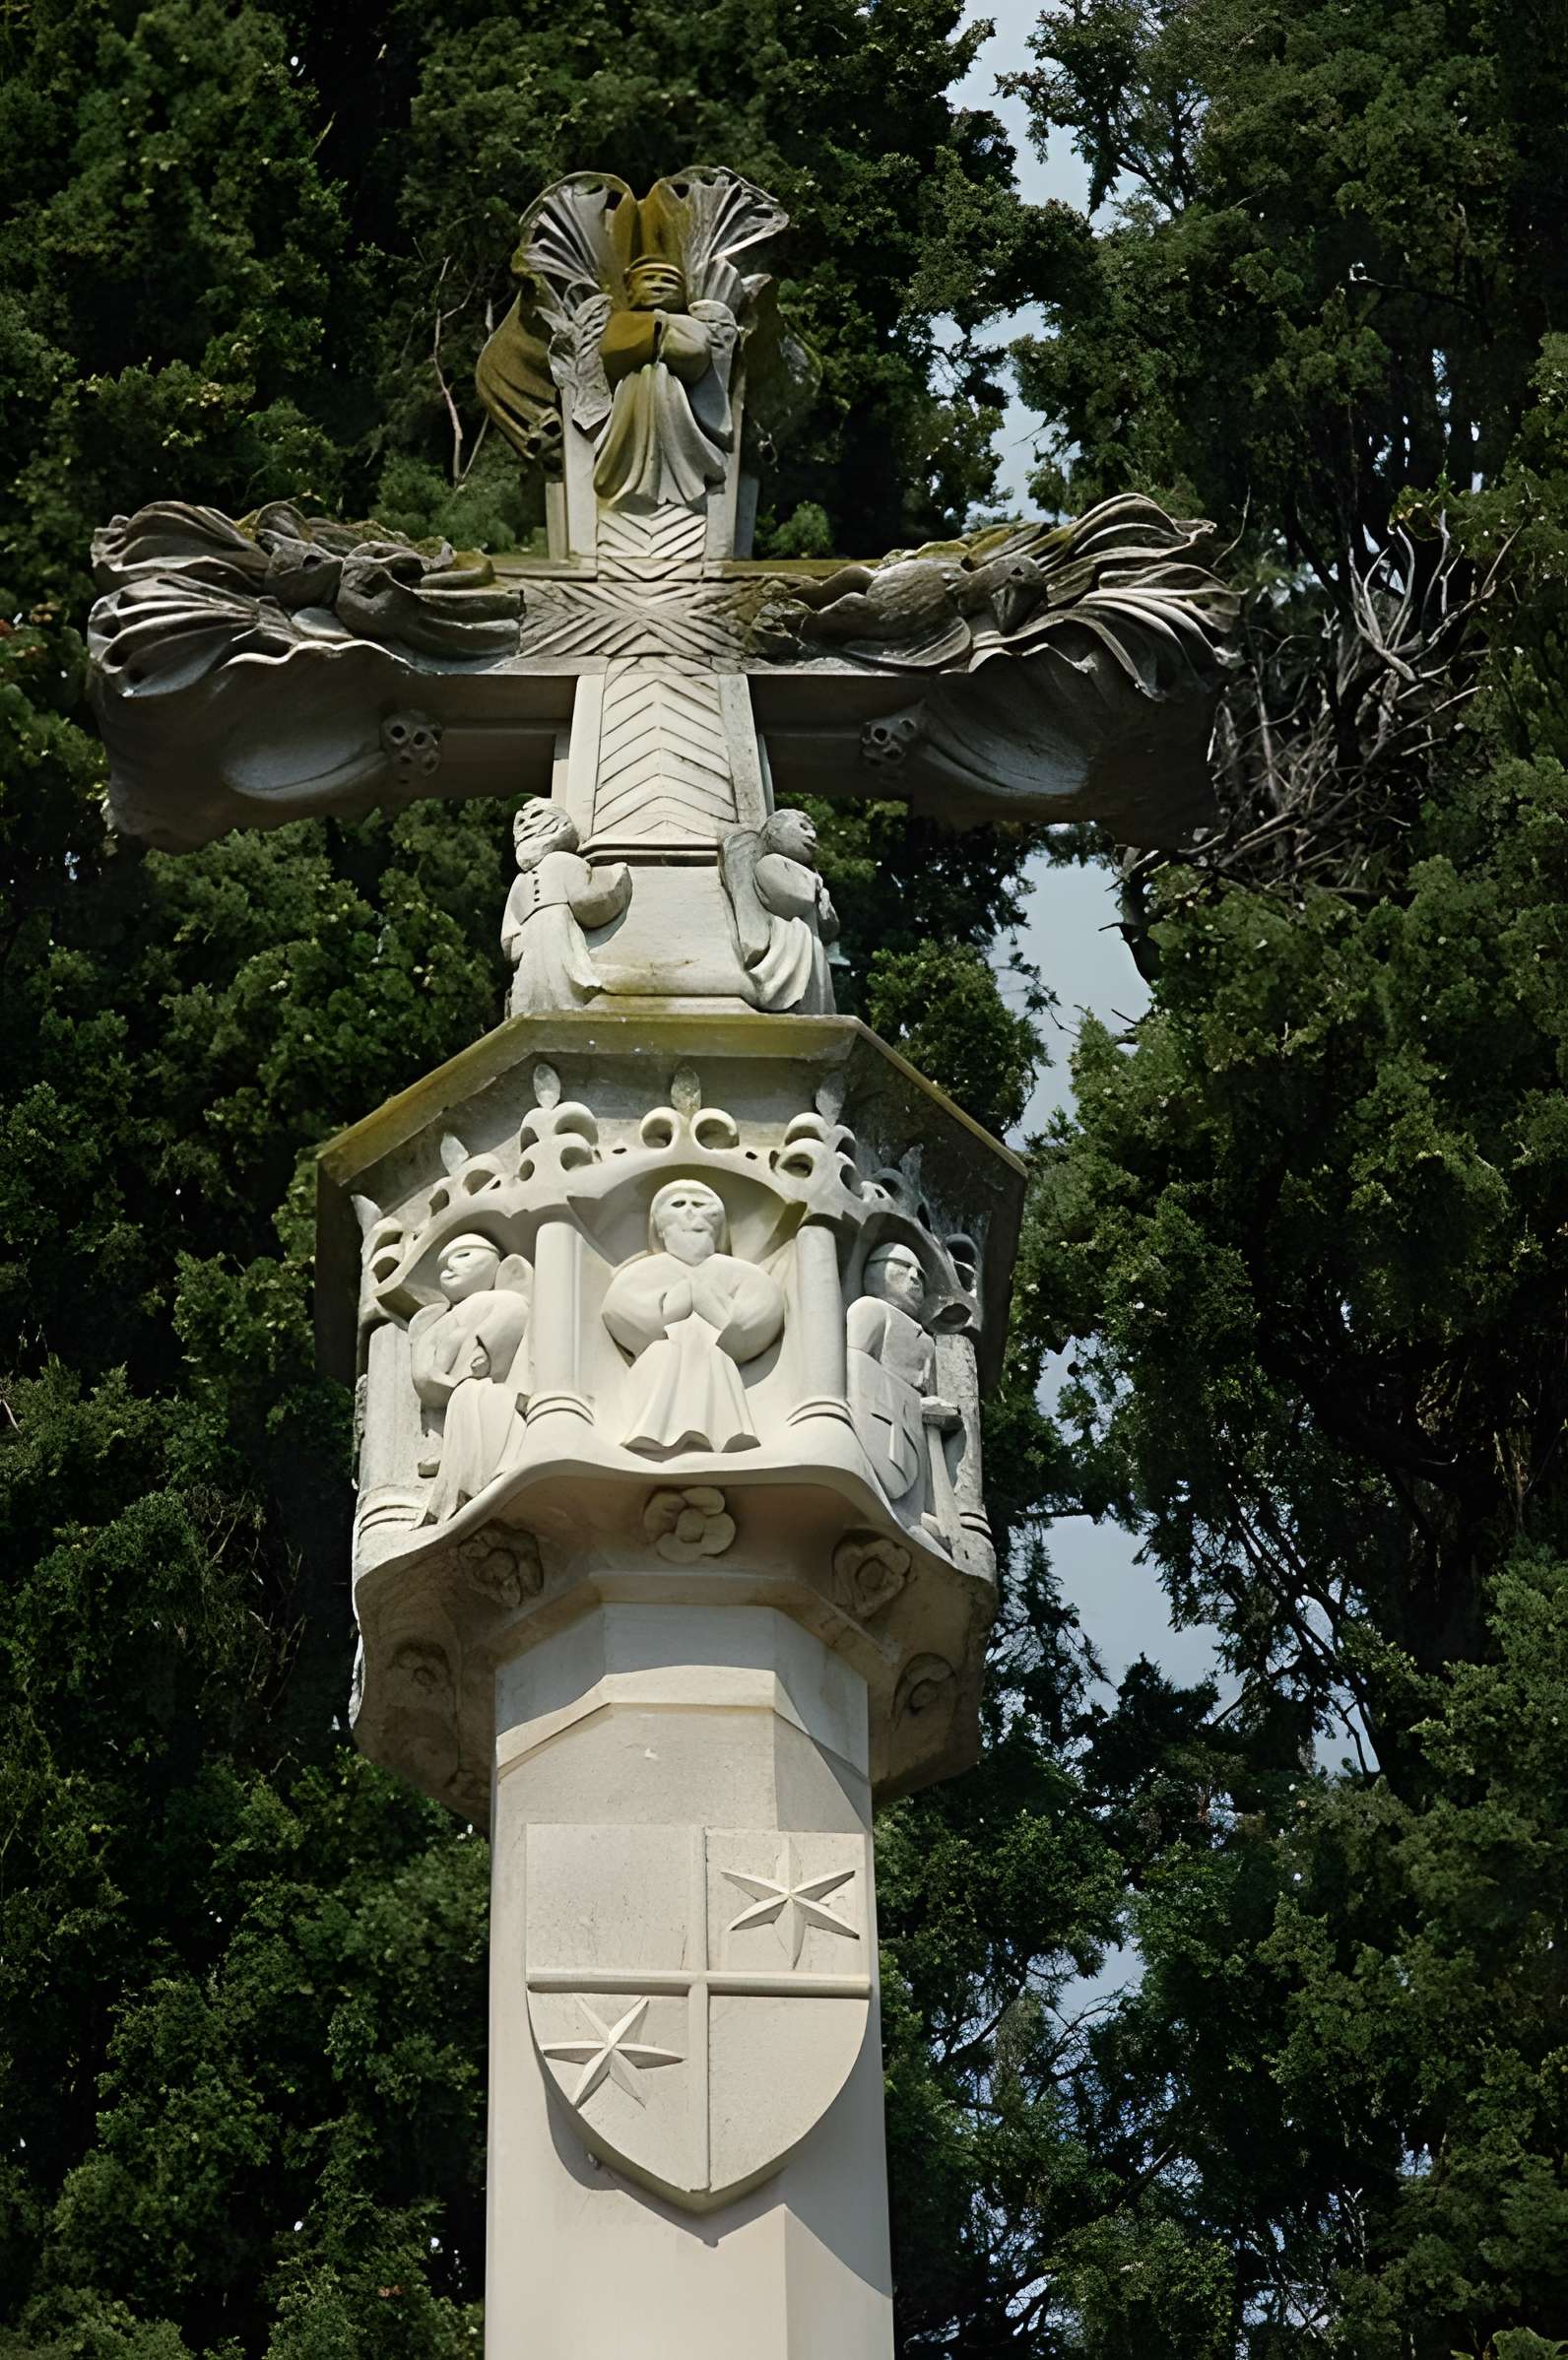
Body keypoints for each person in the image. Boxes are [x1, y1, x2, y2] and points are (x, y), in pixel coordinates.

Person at [601, 1180, 784, 1456]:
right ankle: (652, 1432)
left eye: (699, 1204)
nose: (689, 1212)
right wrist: (678, 1302)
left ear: (719, 1225)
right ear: (659, 1228)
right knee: (671, 1350)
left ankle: (724, 1435)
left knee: (706, 1350)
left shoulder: (742, 1274)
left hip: (716, 1360)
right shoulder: (642, 1273)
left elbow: (756, 1318)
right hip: (658, 1362)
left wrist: (706, 1300)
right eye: (678, 1204)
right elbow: (622, 1311)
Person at [592, 254, 739, 508]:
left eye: (669, 281)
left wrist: (655, 336)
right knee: (646, 377)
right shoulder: (621, 322)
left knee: (658, 377)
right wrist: (660, 334)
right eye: (649, 279)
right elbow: (614, 352)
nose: (659, 284)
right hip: (629, 410)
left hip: (678, 413)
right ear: (629, 287)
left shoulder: (689, 323)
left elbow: (694, 353)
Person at [410, 1234, 532, 1523]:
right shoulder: (438, 1318)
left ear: (497, 1264)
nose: (448, 1268)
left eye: (463, 1255)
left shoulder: (505, 1299)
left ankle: (484, 1469)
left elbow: (511, 1318)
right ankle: (459, 1463)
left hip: (485, 1384)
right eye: (443, 1264)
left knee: (483, 1404)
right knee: (469, 1403)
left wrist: (484, 1348)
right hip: (460, 1386)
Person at [501, 800, 631, 1016]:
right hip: (557, 932)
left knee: (531, 993)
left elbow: (509, 940)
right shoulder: (562, 862)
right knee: (564, 984)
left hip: (530, 949)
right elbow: (587, 902)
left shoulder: (519, 883)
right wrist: (617, 879)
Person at [720, 808, 839, 1014]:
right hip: (792, 944)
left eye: (813, 832)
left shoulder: (807, 875)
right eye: (802, 827)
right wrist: (815, 885)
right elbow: (794, 900)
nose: (811, 836)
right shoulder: (771, 863)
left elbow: (830, 926)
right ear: (774, 832)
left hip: (813, 947)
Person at [846, 1242, 937, 1502]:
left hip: (914, 1434)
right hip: (881, 1420)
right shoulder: (871, 1310)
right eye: (904, 1267)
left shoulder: (927, 1342)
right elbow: (856, 1368)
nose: (914, 1278)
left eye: (920, 1274)